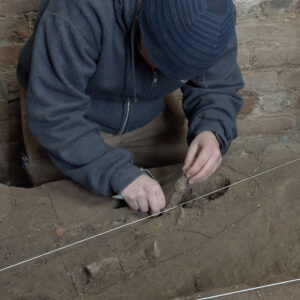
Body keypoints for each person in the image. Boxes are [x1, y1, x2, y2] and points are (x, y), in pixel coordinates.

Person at [17, 0, 244, 215]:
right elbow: (54, 112)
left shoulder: (215, 13)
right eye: (163, 64)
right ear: (146, 23)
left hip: (149, 111)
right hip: (71, 119)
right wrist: (117, 173)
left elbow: (216, 84)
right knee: (65, 212)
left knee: (184, 177)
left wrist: (212, 129)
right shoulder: (79, 9)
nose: (169, 77)